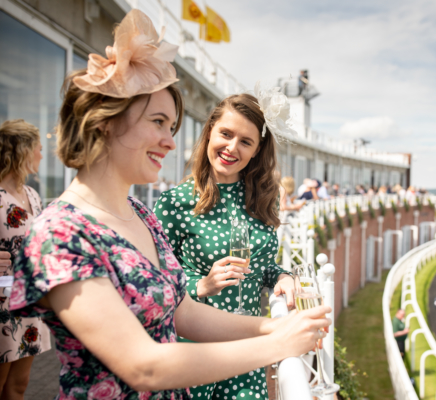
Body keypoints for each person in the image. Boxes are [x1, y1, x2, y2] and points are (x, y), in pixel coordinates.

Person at [9, 10, 330, 399]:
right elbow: (143, 366)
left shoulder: (140, 215)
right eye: (158, 122)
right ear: (106, 123)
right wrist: (279, 344)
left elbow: (185, 313)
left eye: (172, 126)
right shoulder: (58, 233)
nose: (171, 142)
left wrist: (278, 326)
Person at [154, 87, 302, 397]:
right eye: (226, 134)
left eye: (245, 141)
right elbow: (157, 282)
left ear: (257, 150)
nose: (232, 147)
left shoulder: (264, 200)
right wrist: (201, 284)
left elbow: (262, 266)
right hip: (194, 352)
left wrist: (283, 276)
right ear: (209, 133)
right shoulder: (174, 203)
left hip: (246, 352)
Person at [0, 120, 52, 398]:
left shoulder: (32, 194)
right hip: (1, 304)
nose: (42, 155)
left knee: (19, 385)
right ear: (22, 150)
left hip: (28, 300)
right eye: (39, 148)